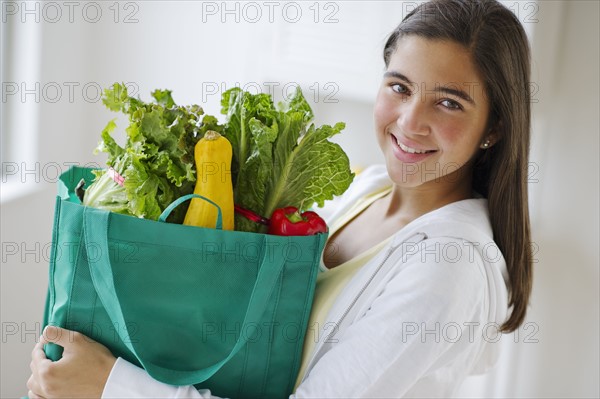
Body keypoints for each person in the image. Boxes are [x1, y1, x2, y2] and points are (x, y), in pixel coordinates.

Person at [27, 0, 533, 397]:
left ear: (494, 128)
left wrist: (109, 385)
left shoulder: (448, 266)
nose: (410, 122)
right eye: (399, 87)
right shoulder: (370, 187)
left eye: (448, 102)